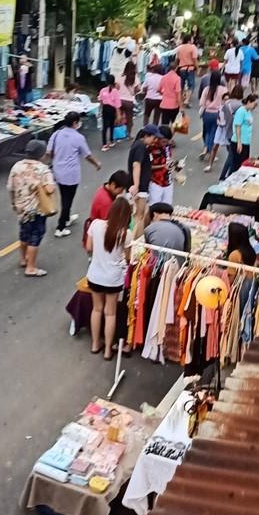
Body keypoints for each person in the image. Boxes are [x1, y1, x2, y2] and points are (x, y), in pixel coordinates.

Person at [85, 196, 132, 359]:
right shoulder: (126, 234)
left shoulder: (95, 224)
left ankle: (95, 344)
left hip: (95, 275)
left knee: (96, 309)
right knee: (110, 313)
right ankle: (107, 351)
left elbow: (89, 247)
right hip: (113, 278)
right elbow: (127, 257)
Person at [46, 111, 100, 237]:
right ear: (75, 123)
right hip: (71, 174)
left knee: (65, 196)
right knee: (67, 199)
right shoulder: (78, 137)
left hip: (58, 172)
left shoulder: (56, 134)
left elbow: (49, 152)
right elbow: (87, 155)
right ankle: (60, 227)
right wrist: (97, 164)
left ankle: (67, 218)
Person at [7, 140, 56, 278]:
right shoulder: (43, 169)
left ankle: (23, 259)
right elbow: (50, 189)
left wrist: (13, 203)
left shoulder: (16, 167)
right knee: (35, 236)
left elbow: (10, 188)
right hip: (37, 209)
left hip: (21, 207)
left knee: (24, 233)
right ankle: (31, 267)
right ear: (40, 154)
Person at [83, 170, 130, 245]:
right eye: (120, 190)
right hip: (98, 236)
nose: (121, 193)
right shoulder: (106, 202)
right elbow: (108, 226)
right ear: (113, 184)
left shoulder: (103, 188)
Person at [127, 125, 157, 238]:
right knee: (139, 217)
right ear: (146, 136)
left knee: (137, 215)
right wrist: (136, 185)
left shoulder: (140, 145)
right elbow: (136, 165)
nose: (155, 140)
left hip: (140, 186)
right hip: (140, 187)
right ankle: (135, 241)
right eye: (154, 138)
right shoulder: (141, 147)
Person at [223, 93, 259, 178]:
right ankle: (230, 178)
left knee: (244, 163)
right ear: (249, 102)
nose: (255, 106)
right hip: (239, 141)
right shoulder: (241, 111)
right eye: (255, 104)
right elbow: (237, 126)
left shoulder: (248, 112)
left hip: (246, 141)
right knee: (236, 165)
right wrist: (239, 142)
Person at [207, 84, 242, 172]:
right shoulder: (236, 105)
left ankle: (228, 165)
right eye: (224, 99)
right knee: (219, 147)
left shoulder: (229, 104)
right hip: (225, 128)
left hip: (225, 128)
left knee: (226, 149)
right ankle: (212, 166)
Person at [198, 68, 227, 166]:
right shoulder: (223, 90)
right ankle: (210, 151)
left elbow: (201, 102)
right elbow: (226, 103)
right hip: (217, 113)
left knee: (207, 131)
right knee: (213, 133)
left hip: (207, 113)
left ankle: (206, 147)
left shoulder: (207, 89)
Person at [148, 125, 175, 206]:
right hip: (156, 183)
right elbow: (148, 167)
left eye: (167, 142)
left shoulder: (167, 146)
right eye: (163, 141)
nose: (165, 144)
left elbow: (170, 158)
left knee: (167, 207)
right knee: (154, 207)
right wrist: (163, 166)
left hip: (168, 182)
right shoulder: (150, 148)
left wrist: (173, 165)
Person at [98, 75, 122, 150]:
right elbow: (117, 104)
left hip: (105, 108)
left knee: (104, 126)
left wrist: (100, 110)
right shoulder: (116, 91)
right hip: (112, 109)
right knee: (112, 125)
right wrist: (119, 115)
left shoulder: (102, 90)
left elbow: (100, 100)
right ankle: (111, 140)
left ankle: (104, 144)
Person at [116, 59, 139, 138]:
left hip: (119, 100)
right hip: (129, 101)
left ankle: (118, 133)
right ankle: (129, 134)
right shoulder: (135, 77)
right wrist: (134, 92)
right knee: (129, 119)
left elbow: (117, 87)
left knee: (119, 116)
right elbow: (137, 89)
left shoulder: (120, 76)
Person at [175, 37, 199, 105]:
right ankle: (187, 100)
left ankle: (180, 99)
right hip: (190, 68)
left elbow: (177, 59)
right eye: (192, 39)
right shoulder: (192, 47)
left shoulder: (179, 48)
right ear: (189, 40)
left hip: (181, 68)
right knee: (191, 85)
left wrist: (176, 67)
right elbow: (195, 59)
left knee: (181, 85)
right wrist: (197, 68)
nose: (193, 40)